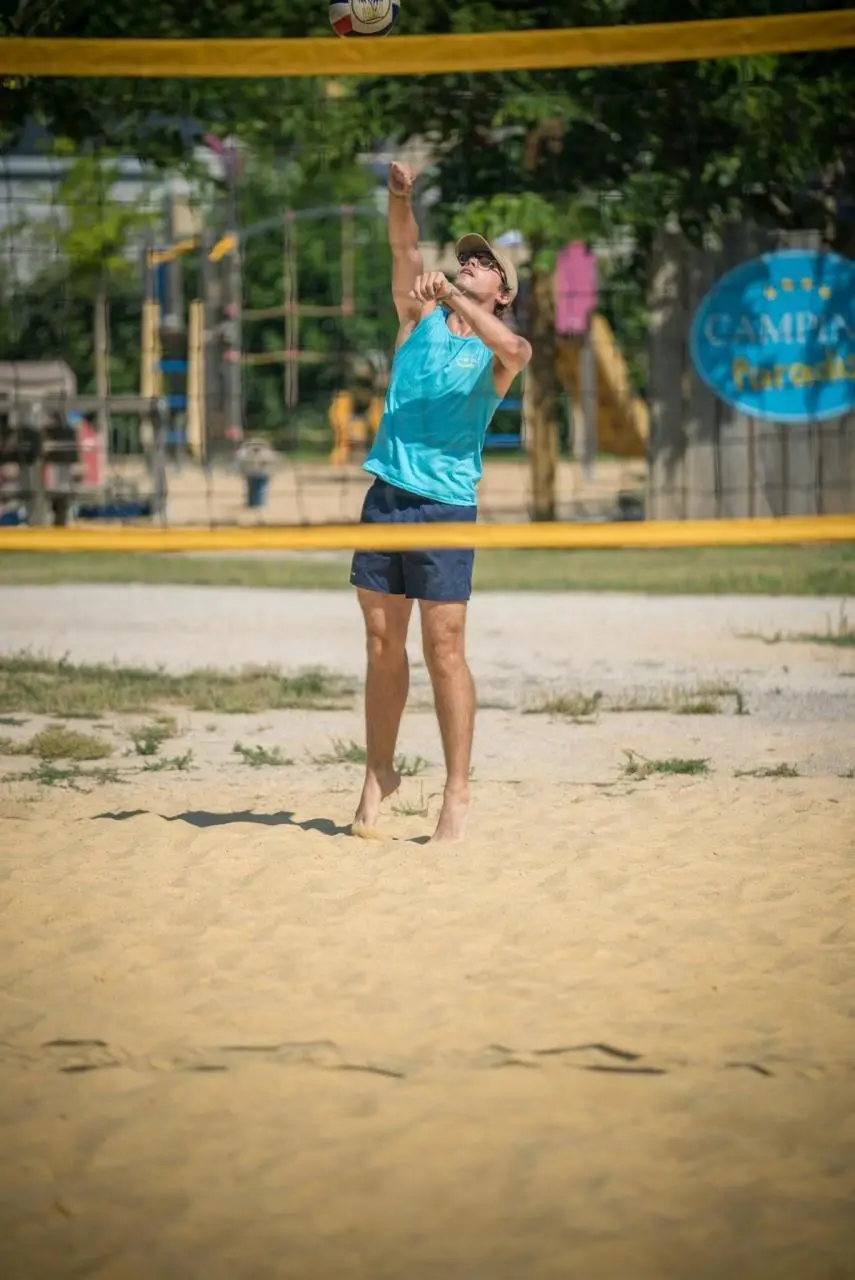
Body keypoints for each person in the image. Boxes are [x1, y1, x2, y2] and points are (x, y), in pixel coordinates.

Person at [349, 160, 532, 842]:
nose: (471, 264)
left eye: (485, 264)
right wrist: (400, 194)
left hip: (445, 508)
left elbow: (516, 347)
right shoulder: (418, 315)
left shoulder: (499, 350)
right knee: (379, 643)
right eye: (467, 259)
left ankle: (456, 792)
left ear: (503, 292)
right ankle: (379, 772)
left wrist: (457, 301)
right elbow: (402, 247)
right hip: (387, 498)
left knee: (444, 649)